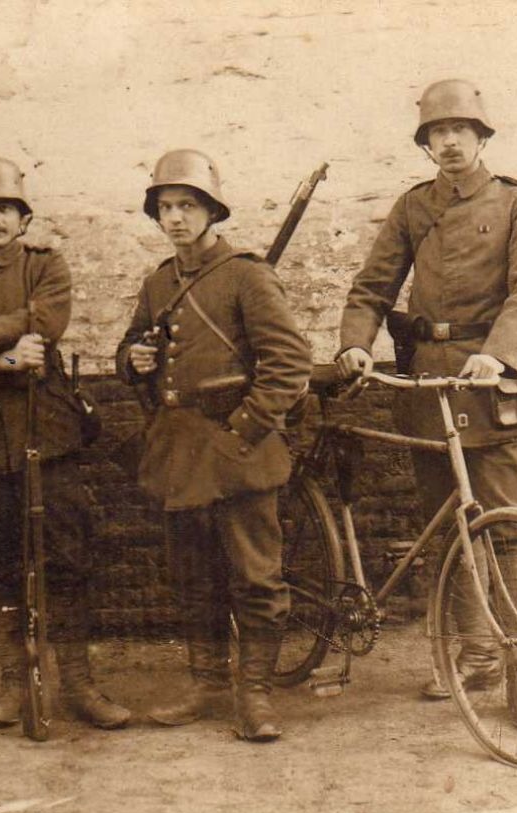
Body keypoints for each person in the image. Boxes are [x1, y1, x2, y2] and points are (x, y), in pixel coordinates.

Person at [335, 79, 517, 726]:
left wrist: (500, 353)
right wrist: (354, 344)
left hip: (493, 386)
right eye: (437, 132)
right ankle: (477, 656)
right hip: (428, 388)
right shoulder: (412, 209)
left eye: (461, 130)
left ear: (482, 137)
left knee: (510, 532)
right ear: (425, 144)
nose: (449, 141)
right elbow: (370, 287)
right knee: (452, 534)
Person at [0, 157, 130, 731]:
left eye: (5, 209)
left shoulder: (46, 265)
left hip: (49, 431)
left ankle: (79, 684)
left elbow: (47, 317)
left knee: (66, 558)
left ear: (23, 217)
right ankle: (15, 684)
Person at [115, 150, 313, 741]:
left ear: (211, 211)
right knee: (193, 576)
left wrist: (245, 431)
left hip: (239, 451)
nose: (175, 218)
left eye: (188, 206)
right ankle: (206, 684)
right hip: (179, 454)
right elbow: (130, 349)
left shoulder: (247, 274)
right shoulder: (158, 282)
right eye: (165, 207)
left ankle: (254, 694)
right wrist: (134, 360)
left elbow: (288, 362)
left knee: (256, 578)